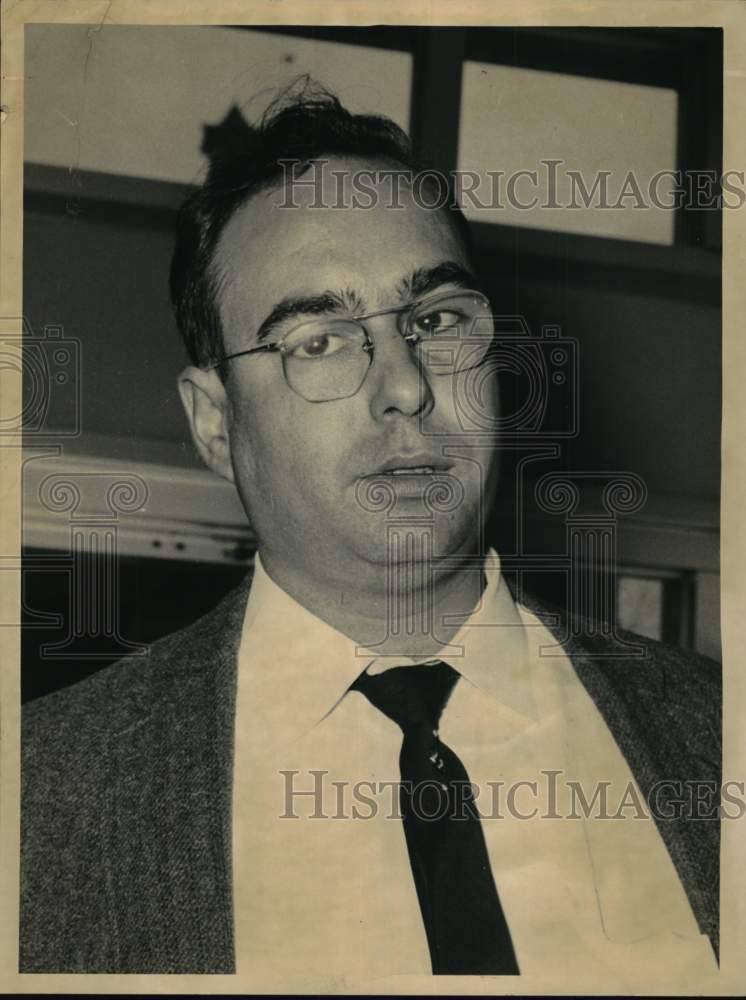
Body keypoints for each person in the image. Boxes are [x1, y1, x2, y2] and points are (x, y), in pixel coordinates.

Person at [20, 81, 721, 985]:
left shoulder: (715, 733)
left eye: (436, 322)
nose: (405, 387)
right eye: (318, 339)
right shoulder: (44, 802)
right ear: (214, 423)